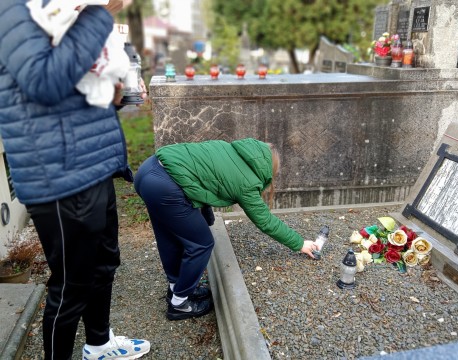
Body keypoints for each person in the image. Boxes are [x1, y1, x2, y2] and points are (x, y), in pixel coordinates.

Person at [0, 1, 150, 359]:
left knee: (104, 264)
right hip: (59, 176)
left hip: (93, 163)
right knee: (70, 287)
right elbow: (45, 82)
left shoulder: (59, 6)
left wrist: (115, 93)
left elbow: (70, 87)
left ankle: (99, 344)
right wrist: (101, 14)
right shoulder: (12, 8)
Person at [134, 138, 320, 321]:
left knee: (170, 238)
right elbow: (266, 221)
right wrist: (299, 243)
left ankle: (177, 290)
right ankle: (180, 305)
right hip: (165, 187)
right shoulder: (247, 181)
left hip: (148, 171)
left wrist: (206, 217)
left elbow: (204, 180)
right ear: (268, 169)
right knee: (201, 244)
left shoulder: (228, 149)